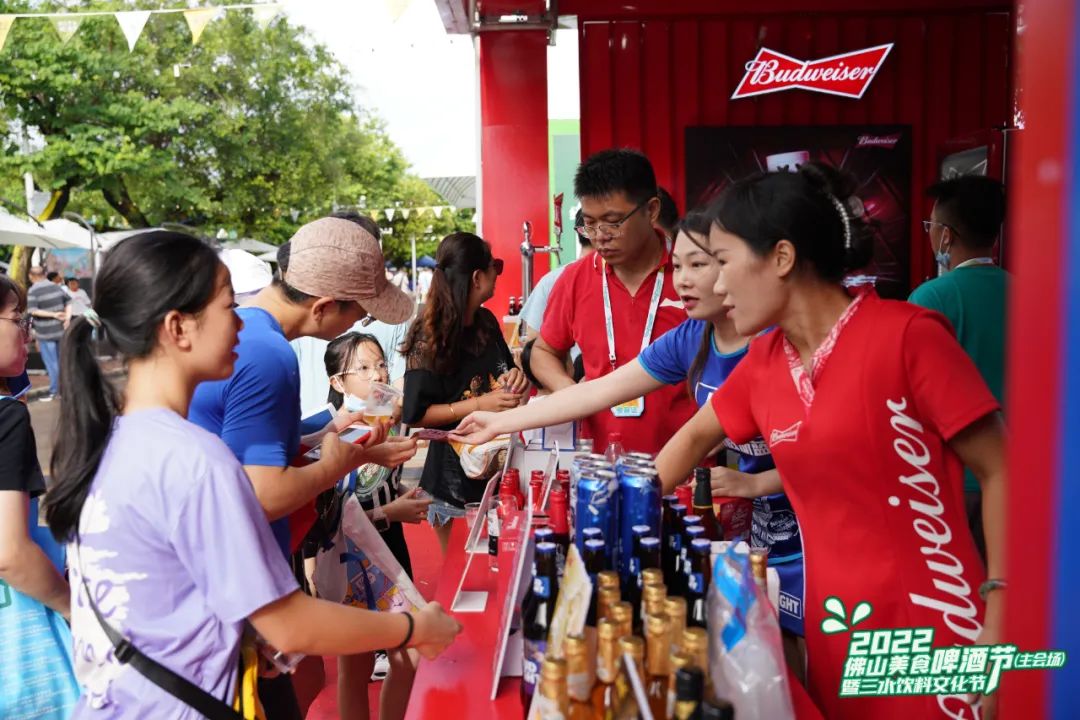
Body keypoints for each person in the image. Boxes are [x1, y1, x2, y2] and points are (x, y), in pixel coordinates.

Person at [44, 231, 460, 719]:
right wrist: (414, 628)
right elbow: (288, 625)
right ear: (178, 328)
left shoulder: (113, 440)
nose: (241, 324)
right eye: (227, 307)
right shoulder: (197, 459)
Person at [652, 163, 1006, 720]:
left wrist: (1001, 613)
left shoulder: (907, 337)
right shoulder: (766, 363)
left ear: (783, 258)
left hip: (937, 624)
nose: (716, 284)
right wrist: (620, 511)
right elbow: (694, 437)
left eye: (722, 262)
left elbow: (1002, 468)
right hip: (835, 625)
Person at [452, 211, 805, 639]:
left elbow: (828, 456)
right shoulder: (692, 337)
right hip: (750, 523)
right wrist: (500, 421)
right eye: (678, 266)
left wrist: (755, 484)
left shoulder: (780, 345)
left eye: (702, 265)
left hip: (807, 524)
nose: (683, 282)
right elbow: (599, 391)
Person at [188, 217, 420, 719]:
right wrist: (335, 466)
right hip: (238, 575)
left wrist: (341, 442)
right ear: (322, 307)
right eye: (359, 314)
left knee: (308, 675)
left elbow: (251, 448)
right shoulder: (271, 355)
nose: (359, 326)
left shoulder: (246, 332)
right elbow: (266, 492)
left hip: (235, 568)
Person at [529, 148, 696, 455]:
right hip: (601, 467)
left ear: (652, 210)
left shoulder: (693, 274)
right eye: (590, 224)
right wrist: (569, 393)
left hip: (687, 468)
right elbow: (543, 351)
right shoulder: (576, 279)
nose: (600, 236)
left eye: (613, 222)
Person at [323, 332, 429, 720]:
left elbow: (376, 481)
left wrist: (397, 495)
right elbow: (334, 517)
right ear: (337, 382)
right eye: (363, 368)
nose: (377, 373)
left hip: (389, 549)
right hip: (351, 559)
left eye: (381, 363)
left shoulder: (383, 411)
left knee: (405, 655)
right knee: (357, 663)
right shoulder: (337, 433)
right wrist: (391, 511)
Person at [400, 232, 529, 553]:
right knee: (462, 576)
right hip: (452, 482)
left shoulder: (486, 322)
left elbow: (505, 374)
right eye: (495, 266)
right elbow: (415, 415)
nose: (498, 274)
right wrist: (479, 404)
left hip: (502, 471)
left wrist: (516, 377)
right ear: (477, 277)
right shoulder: (427, 336)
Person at [909, 175, 1007, 562]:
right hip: (1017, 475)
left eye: (931, 228)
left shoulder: (931, 297)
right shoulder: (1031, 293)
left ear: (946, 236)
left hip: (950, 479)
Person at [0, 274, 75, 717]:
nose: (27, 331)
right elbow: (9, 552)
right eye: (17, 319)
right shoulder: (6, 418)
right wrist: (73, 610)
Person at [289, 211, 415, 416]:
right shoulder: (301, 320)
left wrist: (358, 422)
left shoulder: (391, 320)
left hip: (363, 441)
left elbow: (398, 396)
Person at [26, 265, 70, 400]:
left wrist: (54, 315)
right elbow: (69, 301)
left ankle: (55, 391)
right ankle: (64, 391)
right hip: (60, 331)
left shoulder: (33, 291)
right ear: (44, 274)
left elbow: (33, 310)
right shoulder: (55, 286)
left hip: (45, 333)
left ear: (31, 276)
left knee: (52, 363)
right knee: (61, 361)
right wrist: (67, 318)